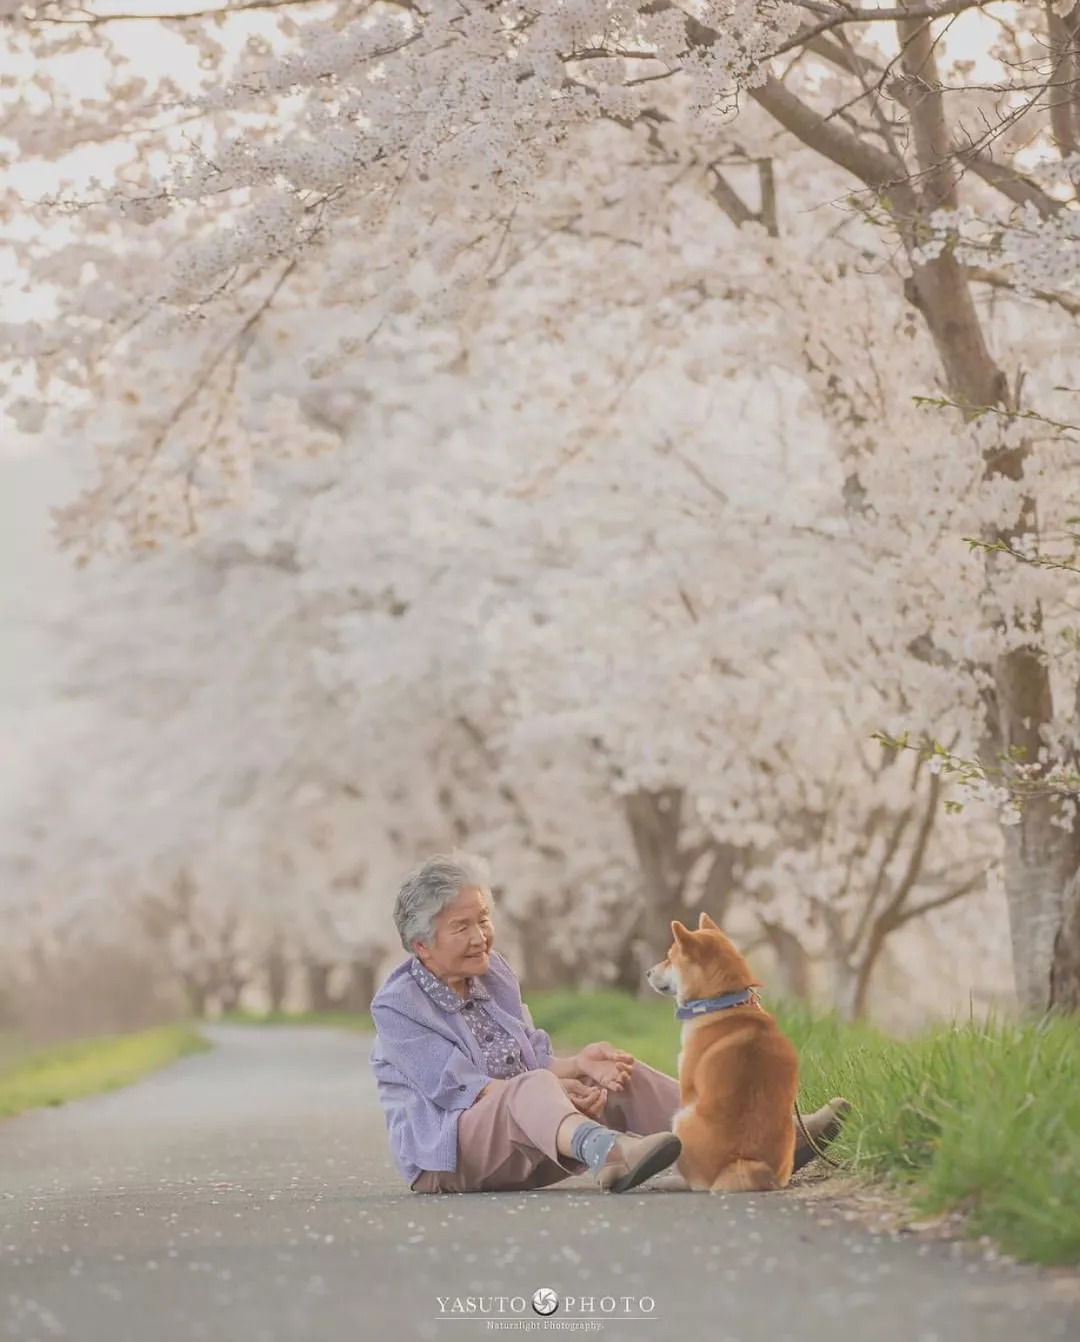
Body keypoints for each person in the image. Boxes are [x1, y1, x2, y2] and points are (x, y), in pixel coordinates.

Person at [369, 852, 848, 1195]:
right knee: (534, 1086)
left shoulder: (492, 972)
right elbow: (464, 1089)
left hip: (534, 1144)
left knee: (619, 1073)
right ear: (421, 946)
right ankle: (612, 1154)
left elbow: (531, 1061)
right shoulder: (397, 1006)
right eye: (462, 927)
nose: (481, 937)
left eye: (485, 919)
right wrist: (555, 1089)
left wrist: (580, 1065)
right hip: (450, 1160)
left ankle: (764, 1138)